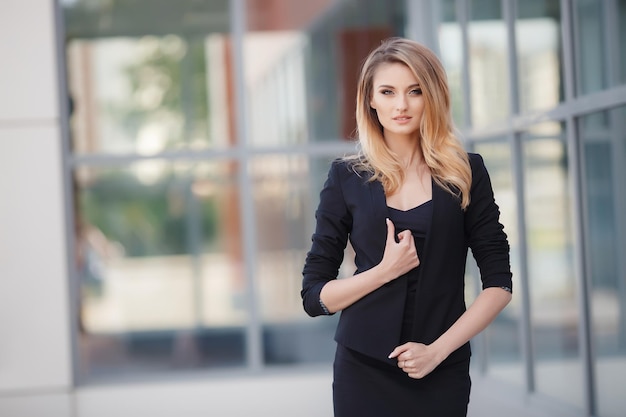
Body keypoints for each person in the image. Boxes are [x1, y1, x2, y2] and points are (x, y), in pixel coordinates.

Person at [301, 37, 513, 417]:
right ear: (370, 99)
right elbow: (315, 297)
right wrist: (384, 272)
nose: (401, 105)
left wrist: (438, 351)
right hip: (362, 369)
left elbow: (499, 284)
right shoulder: (345, 177)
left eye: (414, 91)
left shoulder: (466, 172)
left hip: (440, 366)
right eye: (388, 91)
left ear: (432, 95)